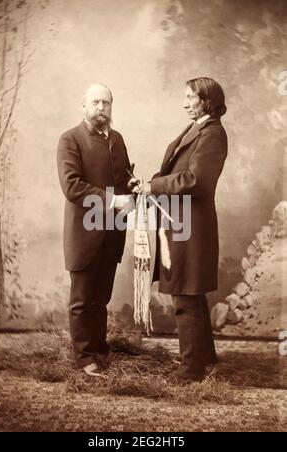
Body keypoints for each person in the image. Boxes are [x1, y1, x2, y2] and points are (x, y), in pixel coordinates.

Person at [129, 77, 228, 382]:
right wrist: (147, 184)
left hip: (191, 225)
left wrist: (154, 186)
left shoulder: (212, 134)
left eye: (190, 97)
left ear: (206, 100)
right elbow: (177, 171)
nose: (185, 103)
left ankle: (190, 369)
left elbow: (197, 180)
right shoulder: (198, 129)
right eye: (184, 97)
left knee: (185, 295)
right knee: (191, 293)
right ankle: (205, 358)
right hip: (181, 221)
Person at [57, 84, 134, 376]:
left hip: (113, 231)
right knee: (82, 299)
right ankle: (84, 357)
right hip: (84, 233)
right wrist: (114, 200)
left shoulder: (117, 139)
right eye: (95, 102)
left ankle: (100, 351)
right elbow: (72, 186)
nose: (101, 107)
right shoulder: (70, 139)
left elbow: (124, 179)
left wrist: (134, 190)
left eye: (106, 102)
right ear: (83, 105)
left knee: (101, 298)